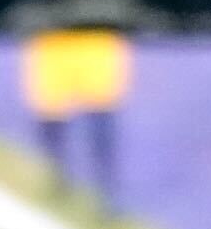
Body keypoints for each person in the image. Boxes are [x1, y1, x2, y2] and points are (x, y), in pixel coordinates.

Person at [17, 15, 129, 214]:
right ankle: (58, 178)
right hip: (52, 43)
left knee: (100, 119)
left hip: (94, 42)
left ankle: (109, 197)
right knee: (49, 119)